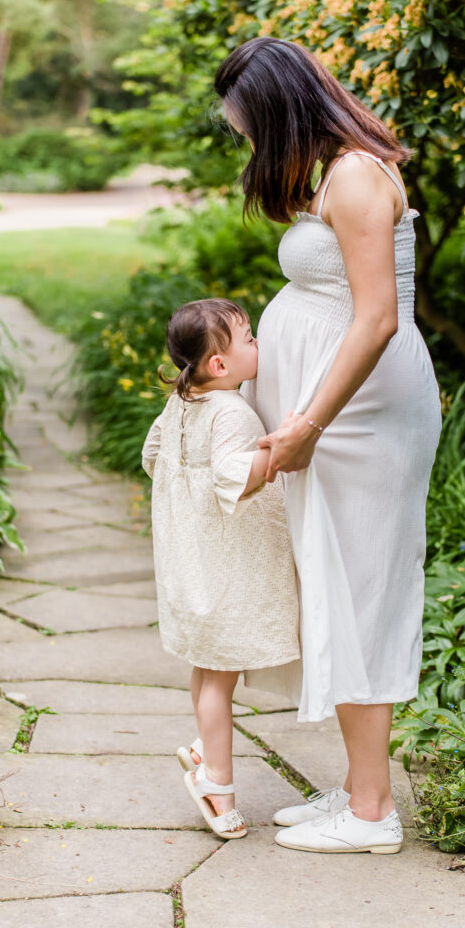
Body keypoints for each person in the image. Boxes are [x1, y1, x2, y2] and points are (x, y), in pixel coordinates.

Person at [214, 37, 443, 854]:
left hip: (365, 422)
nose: (248, 144)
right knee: (339, 587)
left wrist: (308, 423)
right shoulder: (338, 171)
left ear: (279, 111)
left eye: (248, 128)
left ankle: (373, 812)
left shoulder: (352, 177)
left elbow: (378, 317)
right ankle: (357, 787)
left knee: (364, 593)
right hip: (343, 417)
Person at [141, 298, 300, 840]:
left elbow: (151, 455)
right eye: (249, 338)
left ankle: (206, 750)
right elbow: (240, 476)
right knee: (220, 680)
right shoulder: (232, 411)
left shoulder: (182, 400)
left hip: (190, 559)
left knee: (206, 668)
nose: (259, 345)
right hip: (224, 567)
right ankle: (218, 785)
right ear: (219, 366)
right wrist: (285, 446)